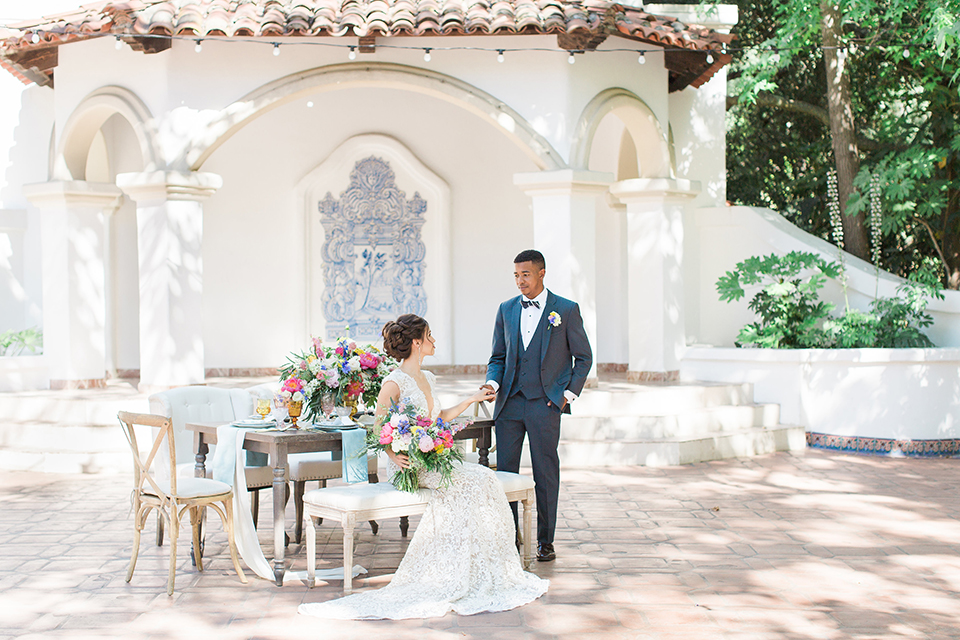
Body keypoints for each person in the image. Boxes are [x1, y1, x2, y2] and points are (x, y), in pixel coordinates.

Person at [299, 314, 549, 620]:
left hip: (431, 457)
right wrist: (394, 456)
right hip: (409, 464)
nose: (434, 341)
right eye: (429, 336)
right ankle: (452, 569)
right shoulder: (394, 382)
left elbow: (439, 417)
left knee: (484, 478)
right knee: (475, 481)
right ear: (417, 342)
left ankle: (482, 564)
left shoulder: (428, 378)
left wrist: (471, 399)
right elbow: (378, 429)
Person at [483, 249, 593, 562]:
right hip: (510, 404)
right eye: (516, 275)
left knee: (545, 473)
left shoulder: (566, 310)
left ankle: (546, 541)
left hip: (545, 405)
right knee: (505, 473)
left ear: (541, 273)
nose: (520, 281)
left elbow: (584, 358)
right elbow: (498, 357)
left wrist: (565, 396)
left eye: (526, 274)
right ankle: (508, 537)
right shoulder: (506, 309)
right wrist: (492, 383)